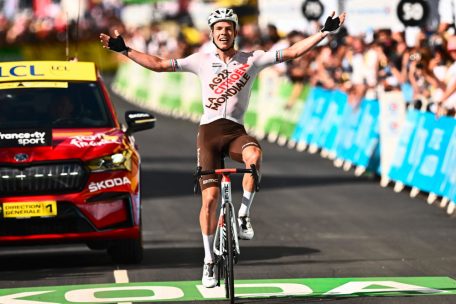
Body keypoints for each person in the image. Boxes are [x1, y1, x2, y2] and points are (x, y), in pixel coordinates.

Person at [100, 8, 346, 288]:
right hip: (208, 134)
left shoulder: (252, 58)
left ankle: (242, 216)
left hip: (235, 131)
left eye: (228, 28)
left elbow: (290, 53)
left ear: (235, 32)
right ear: (212, 33)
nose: (224, 33)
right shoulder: (200, 60)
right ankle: (208, 260)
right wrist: (125, 50)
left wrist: (324, 32)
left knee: (254, 155)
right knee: (210, 200)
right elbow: (158, 64)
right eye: (219, 29)